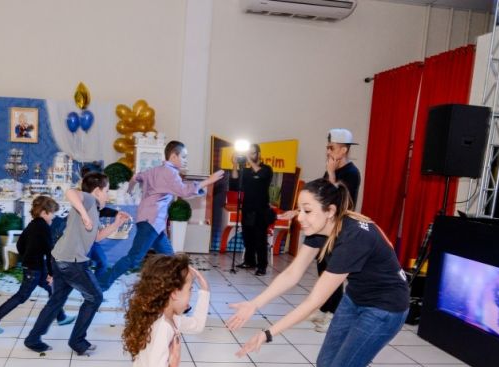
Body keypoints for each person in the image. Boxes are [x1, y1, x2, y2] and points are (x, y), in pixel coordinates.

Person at [229, 179, 409, 367]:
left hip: (385, 308)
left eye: (307, 210)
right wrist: (254, 303)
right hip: (358, 299)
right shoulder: (322, 228)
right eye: (300, 209)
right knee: (325, 363)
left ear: (330, 211)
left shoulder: (353, 238)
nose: (300, 217)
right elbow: (293, 273)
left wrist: (268, 333)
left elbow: (315, 300)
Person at [23, 173, 130, 355]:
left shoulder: (93, 208)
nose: (107, 195)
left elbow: (96, 237)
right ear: (96, 191)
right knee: (94, 297)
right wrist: (83, 214)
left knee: (56, 301)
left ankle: (33, 339)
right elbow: (70, 192)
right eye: (106, 190)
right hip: (71, 262)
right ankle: (77, 341)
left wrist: (117, 223)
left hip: (60, 259)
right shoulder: (88, 200)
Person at [97, 141, 224, 290]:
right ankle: (102, 284)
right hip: (151, 222)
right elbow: (183, 191)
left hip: (152, 223)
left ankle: (176, 295)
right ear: (173, 156)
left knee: (170, 260)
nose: (185, 160)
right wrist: (208, 181)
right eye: (183, 156)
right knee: (134, 258)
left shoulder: (155, 170)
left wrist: (130, 189)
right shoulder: (170, 173)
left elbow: (136, 177)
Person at [280, 129, 362, 332]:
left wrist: (332, 173)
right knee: (322, 268)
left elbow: (340, 200)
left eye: (331, 147)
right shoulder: (330, 170)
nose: (328, 151)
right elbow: (319, 198)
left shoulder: (352, 173)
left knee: (333, 272)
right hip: (324, 228)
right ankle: (325, 309)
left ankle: (335, 316)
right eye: (327, 147)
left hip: (339, 229)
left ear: (343, 150)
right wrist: (298, 211)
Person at [0, 195, 73, 334]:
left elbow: (20, 244)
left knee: (53, 289)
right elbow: (50, 252)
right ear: (44, 212)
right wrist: (52, 273)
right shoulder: (44, 227)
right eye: (52, 214)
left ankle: (61, 317)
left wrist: (28, 255)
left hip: (35, 266)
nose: (53, 217)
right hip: (34, 269)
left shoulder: (32, 225)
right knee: (22, 296)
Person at [229, 143, 274, 275]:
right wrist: (235, 165)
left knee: (260, 239)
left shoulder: (266, 169)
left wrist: (248, 159)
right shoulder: (247, 172)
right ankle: (249, 261)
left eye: (252, 153)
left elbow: (260, 175)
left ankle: (262, 266)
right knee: (248, 237)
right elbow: (234, 184)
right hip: (247, 209)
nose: (250, 155)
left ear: (259, 154)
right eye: (248, 153)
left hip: (261, 210)